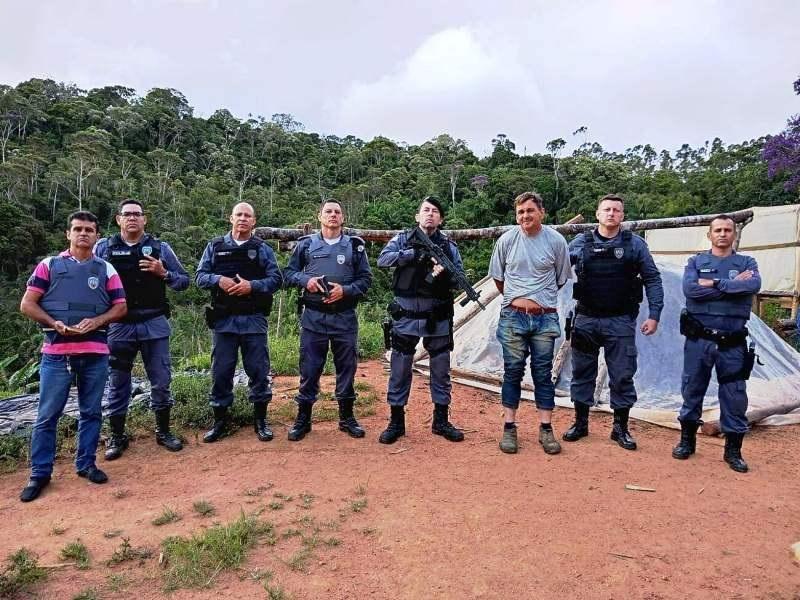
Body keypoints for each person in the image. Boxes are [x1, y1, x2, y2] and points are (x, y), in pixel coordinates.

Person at [19, 211, 127, 502]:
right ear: (68, 234)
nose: (83, 234)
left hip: (94, 353)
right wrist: (54, 323)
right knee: (46, 417)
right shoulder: (49, 266)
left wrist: (98, 321)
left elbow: (120, 307)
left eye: (89, 230)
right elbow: (28, 304)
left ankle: (86, 464)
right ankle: (40, 473)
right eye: (77, 229)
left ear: (96, 235)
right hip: (57, 355)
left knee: (91, 412)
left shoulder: (106, 269)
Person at [563, 194, 663, 450]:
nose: (611, 214)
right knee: (582, 373)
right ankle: (581, 423)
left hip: (620, 320)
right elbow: (557, 269)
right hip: (586, 318)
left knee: (622, 375)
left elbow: (652, 279)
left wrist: (654, 315)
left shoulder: (635, 245)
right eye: (606, 209)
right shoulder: (580, 243)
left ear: (622, 215)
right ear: (597, 214)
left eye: (616, 210)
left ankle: (620, 428)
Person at [95, 199, 189, 460]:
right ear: (118, 219)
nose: (132, 218)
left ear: (145, 219)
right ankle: (117, 436)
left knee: (161, 381)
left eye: (137, 214)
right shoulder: (104, 248)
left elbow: (184, 282)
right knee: (118, 383)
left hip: (154, 323)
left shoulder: (160, 248)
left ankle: (163, 431)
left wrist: (164, 273)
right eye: (127, 214)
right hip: (119, 325)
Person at [672, 214, 760, 472]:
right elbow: (691, 290)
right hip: (700, 339)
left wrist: (714, 282)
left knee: (734, 395)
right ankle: (687, 441)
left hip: (732, 343)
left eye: (727, 230)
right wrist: (733, 285)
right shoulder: (696, 261)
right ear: (709, 235)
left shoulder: (747, 262)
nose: (722, 234)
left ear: (734, 234)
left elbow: (754, 284)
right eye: (718, 230)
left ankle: (733, 451)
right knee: (692, 389)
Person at [489, 192, 572, 455]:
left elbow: (560, 278)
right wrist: (518, 299)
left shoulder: (556, 241)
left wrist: (539, 300)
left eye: (530, 211)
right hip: (513, 316)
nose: (525, 216)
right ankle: (509, 427)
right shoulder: (507, 240)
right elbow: (499, 278)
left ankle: (546, 429)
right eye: (520, 212)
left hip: (545, 317)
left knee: (542, 374)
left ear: (541, 212)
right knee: (512, 371)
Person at [377, 196, 465, 444]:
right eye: (425, 210)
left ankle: (441, 420)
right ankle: (396, 421)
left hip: (437, 315)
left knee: (440, 369)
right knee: (400, 367)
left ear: (441, 218)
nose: (430, 214)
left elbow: (458, 278)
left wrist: (443, 273)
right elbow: (383, 260)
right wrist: (412, 255)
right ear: (417, 216)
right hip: (405, 315)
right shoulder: (403, 239)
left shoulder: (448, 246)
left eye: (435, 211)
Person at [283, 199, 373, 440]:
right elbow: (288, 273)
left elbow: (365, 280)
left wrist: (346, 291)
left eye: (337, 212)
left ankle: (346, 418)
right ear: (319, 216)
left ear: (343, 218)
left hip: (344, 318)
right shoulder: (305, 245)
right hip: (313, 318)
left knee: (347, 369)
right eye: (328, 211)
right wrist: (306, 281)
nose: (333, 215)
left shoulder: (355, 247)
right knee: (310, 369)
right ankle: (303, 419)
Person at [195, 202, 282, 443]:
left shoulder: (262, 248)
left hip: (253, 319)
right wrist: (218, 280)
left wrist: (251, 286)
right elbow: (199, 277)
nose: (243, 219)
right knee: (221, 372)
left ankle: (260, 421)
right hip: (224, 320)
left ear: (254, 221)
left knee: (258, 370)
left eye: (248, 216)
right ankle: (220, 421)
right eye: (239, 215)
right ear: (230, 218)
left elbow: (276, 279)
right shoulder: (214, 246)